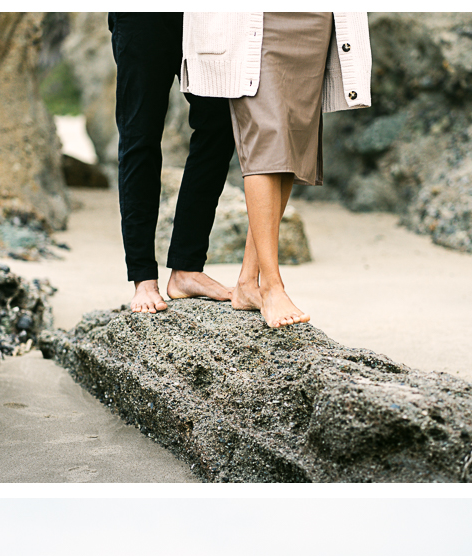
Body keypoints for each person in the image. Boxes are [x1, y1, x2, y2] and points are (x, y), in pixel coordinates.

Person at [181, 13, 371, 328]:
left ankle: (247, 283)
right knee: (266, 139)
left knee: (288, 145)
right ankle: (272, 285)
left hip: (312, 21)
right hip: (255, 18)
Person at [107, 13, 237, 313]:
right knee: (140, 134)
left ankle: (187, 269)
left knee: (221, 122)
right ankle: (143, 278)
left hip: (205, 15)